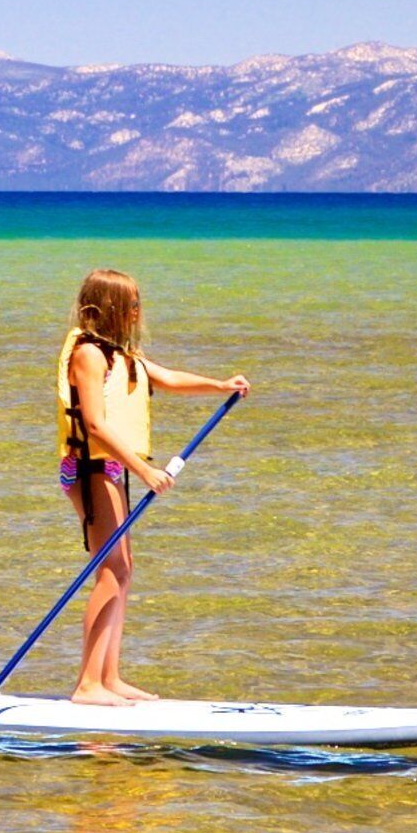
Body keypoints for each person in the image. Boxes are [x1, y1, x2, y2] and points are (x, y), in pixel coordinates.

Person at [52, 267, 247, 705]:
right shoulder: (89, 355)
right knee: (111, 568)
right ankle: (87, 685)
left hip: (112, 468)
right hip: (89, 467)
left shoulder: (122, 354)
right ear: (110, 308)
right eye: (132, 304)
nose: (139, 312)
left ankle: (110, 676)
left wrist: (219, 386)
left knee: (123, 568)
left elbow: (169, 379)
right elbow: (96, 425)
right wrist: (143, 470)